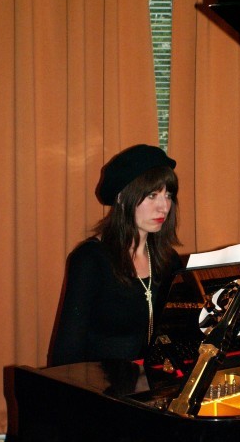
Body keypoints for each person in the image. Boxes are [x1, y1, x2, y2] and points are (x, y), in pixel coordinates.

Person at [48, 144, 182, 367]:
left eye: (168, 195)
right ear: (121, 197)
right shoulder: (90, 259)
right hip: (102, 384)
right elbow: (68, 351)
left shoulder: (170, 260)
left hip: (156, 381)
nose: (164, 207)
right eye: (152, 195)